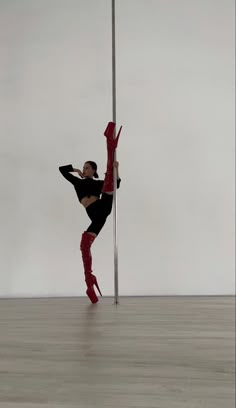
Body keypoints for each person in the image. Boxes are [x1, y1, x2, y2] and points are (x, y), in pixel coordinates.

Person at [59, 122, 122, 304]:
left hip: (102, 207)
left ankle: (109, 141)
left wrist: (117, 170)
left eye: (87, 167)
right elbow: (61, 170)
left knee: (110, 178)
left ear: (93, 171)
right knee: (84, 244)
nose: (84, 169)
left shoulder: (96, 183)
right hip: (96, 216)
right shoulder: (77, 182)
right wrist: (76, 170)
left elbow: (116, 185)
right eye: (84, 167)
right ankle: (89, 282)